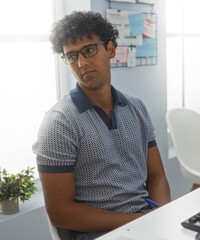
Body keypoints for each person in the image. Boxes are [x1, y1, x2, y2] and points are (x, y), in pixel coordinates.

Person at [32, 11, 171, 240]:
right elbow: (60, 213)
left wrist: (162, 215)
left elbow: (157, 176)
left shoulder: (136, 108)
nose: (81, 63)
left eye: (89, 50)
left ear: (111, 50)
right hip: (100, 233)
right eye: (72, 56)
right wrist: (139, 223)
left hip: (146, 222)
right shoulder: (59, 123)